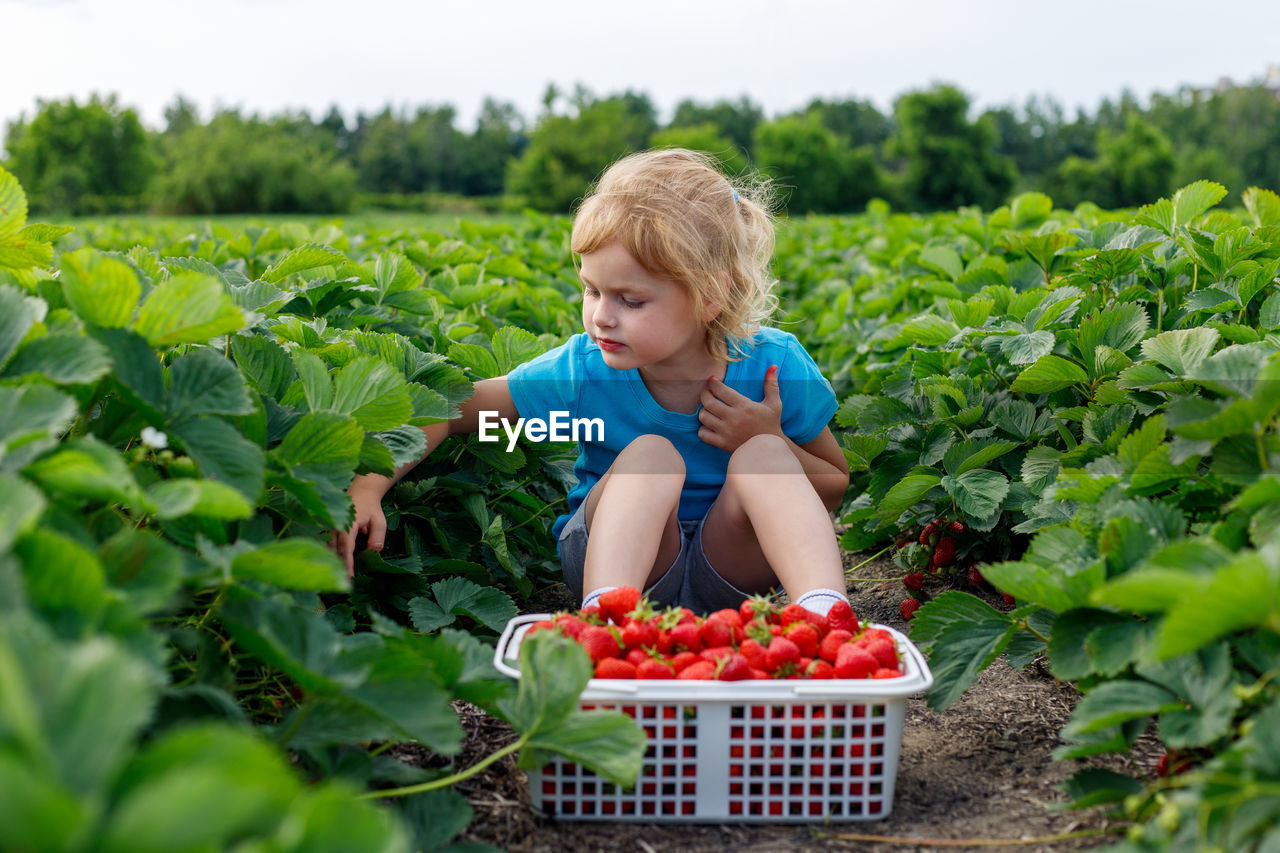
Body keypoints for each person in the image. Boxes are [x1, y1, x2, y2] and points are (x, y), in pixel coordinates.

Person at [333, 149, 851, 617]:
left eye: (630, 299)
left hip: (734, 574)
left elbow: (832, 484)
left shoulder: (772, 367)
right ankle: (606, 619)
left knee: (764, 455)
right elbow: (453, 409)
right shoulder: (584, 374)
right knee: (651, 454)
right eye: (591, 290)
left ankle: (824, 615)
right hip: (619, 565)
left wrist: (766, 438)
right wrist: (369, 486)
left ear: (710, 296)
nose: (601, 317)